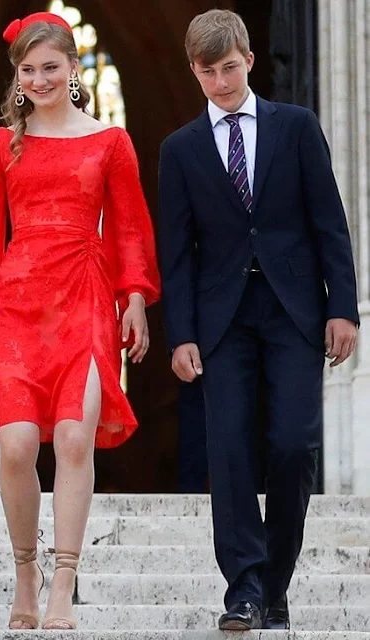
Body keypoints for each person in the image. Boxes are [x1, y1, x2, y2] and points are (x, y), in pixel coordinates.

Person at [0, 11, 160, 631]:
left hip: (84, 296)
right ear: (18, 75)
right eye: (28, 70)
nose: (39, 79)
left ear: (73, 67)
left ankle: (64, 578)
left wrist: (134, 295)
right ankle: (25, 571)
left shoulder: (110, 143)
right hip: (17, 300)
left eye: (50, 67)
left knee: (72, 437)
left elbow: (131, 225)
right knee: (17, 445)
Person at [158, 9, 358, 631]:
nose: (220, 81)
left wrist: (343, 308)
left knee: (295, 446)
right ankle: (243, 588)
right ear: (193, 72)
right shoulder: (181, 150)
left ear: (248, 58)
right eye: (206, 72)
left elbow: (329, 221)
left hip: (294, 309)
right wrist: (181, 333)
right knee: (231, 446)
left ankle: (275, 580)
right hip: (221, 320)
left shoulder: (296, 127)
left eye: (228, 67)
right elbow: (176, 251)